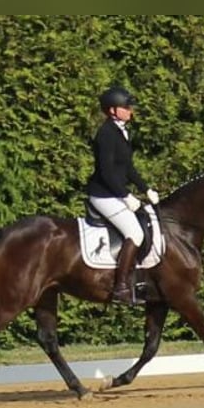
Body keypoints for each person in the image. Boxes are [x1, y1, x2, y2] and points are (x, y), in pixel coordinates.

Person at [86, 86, 160, 304]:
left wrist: (146, 188)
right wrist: (126, 195)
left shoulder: (122, 131)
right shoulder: (106, 134)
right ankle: (120, 287)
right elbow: (107, 172)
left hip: (114, 193)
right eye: (125, 107)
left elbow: (127, 168)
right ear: (112, 110)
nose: (130, 111)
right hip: (103, 195)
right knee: (135, 233)